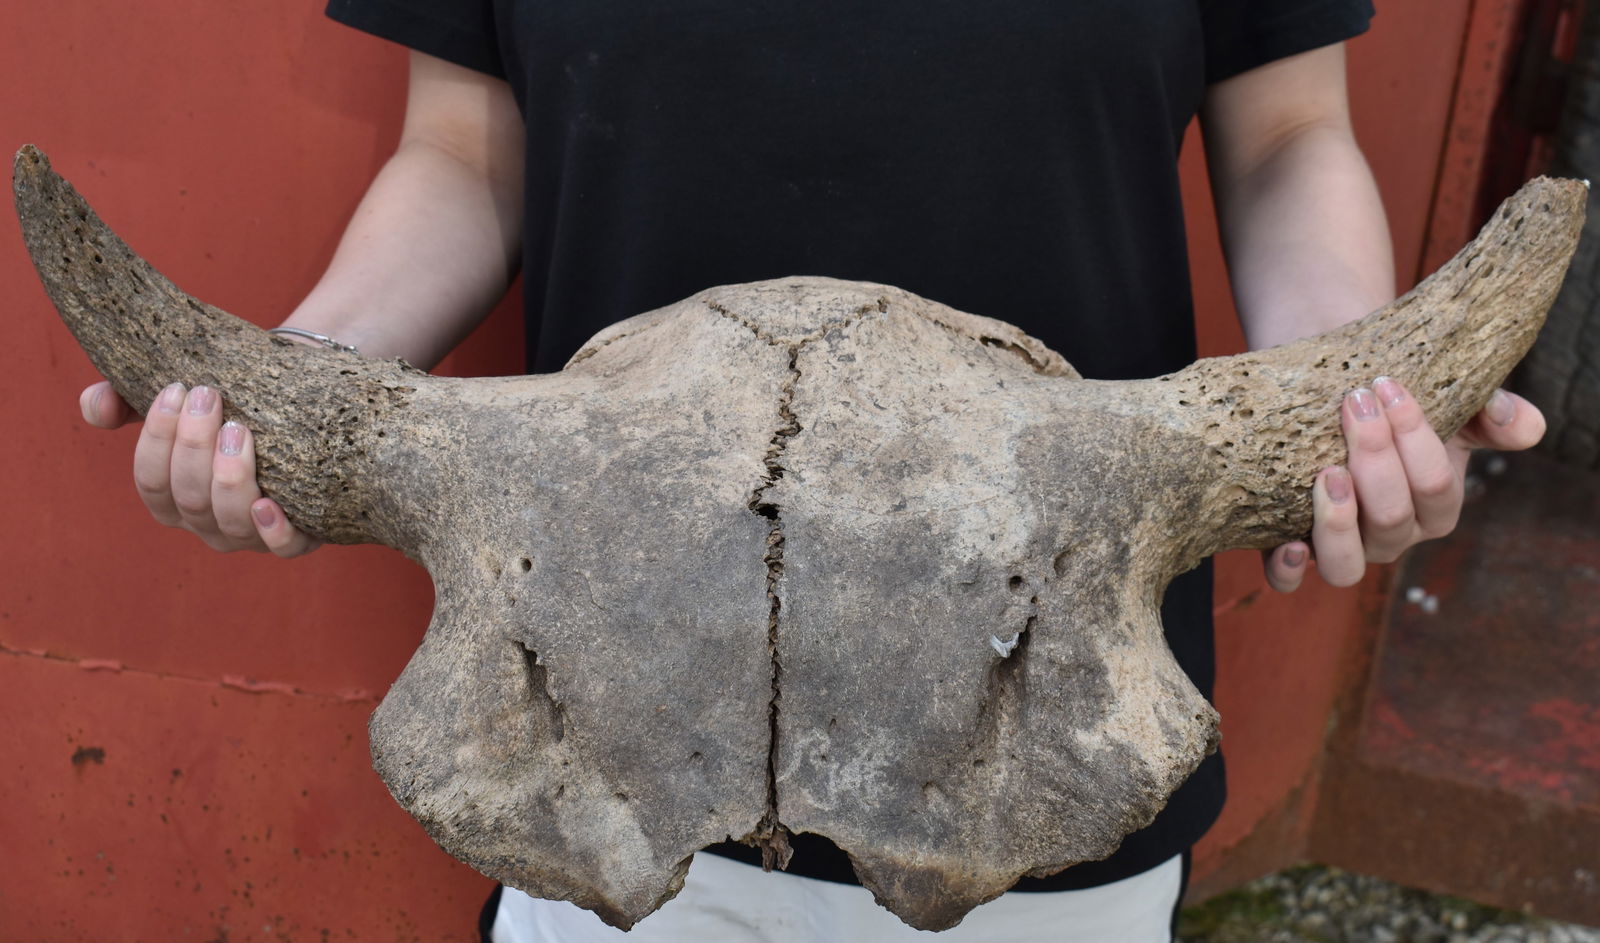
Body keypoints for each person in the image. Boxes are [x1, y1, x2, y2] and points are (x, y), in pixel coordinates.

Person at [74, 2, 1548, 941]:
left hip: (1040, 733)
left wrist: (1349, 407)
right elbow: (464, 154)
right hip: (608, 743)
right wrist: (303, 387)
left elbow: (1289, 136)